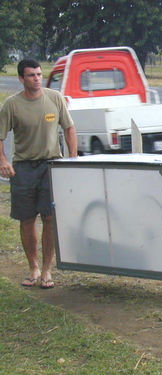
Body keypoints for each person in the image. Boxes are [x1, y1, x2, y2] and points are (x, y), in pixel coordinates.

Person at [0, 59, 77, 289]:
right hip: (23, 167)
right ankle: (33, 267)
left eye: (39, 74)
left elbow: (69, 128)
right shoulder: (11, 105)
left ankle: (46, 270)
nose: (37, 78)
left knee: (50, 218)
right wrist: (3, 160)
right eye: (31, 75)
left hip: (50, 165)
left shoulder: (54, 98)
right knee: (27, 219)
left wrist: (72, 157)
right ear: (21, 79)